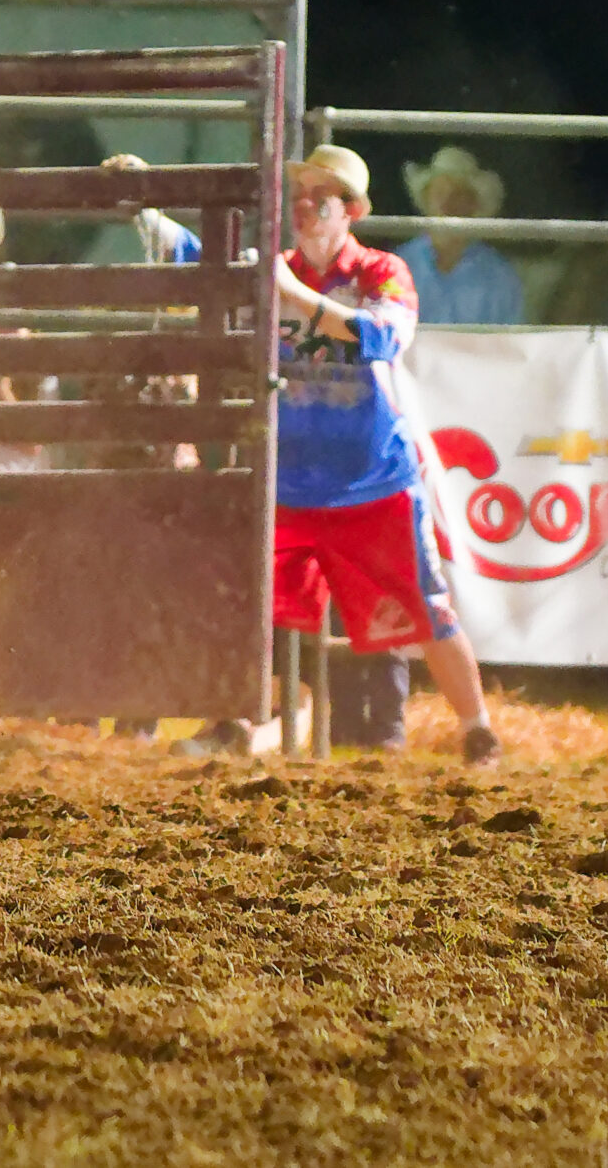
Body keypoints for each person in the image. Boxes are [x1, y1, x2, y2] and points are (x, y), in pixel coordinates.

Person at [173, 145, 502, 763]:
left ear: (351, 211)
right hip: (287, 479)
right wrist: (144, 208)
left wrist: (292, 292)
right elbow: (196, 260)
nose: (304, 208)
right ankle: (230, 720)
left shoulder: (381, 272)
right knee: (248, 603)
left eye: (319, 198)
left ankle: (476, 729)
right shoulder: (276, 269)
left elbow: (380, 338)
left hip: (370, 480)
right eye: (297, 198)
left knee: (428, 607)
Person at [398, 145, 525, 325]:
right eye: (439, 192)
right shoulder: (399, 265)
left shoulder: (499, 276)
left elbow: (510, 343)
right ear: (426, 199)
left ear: (474, 205)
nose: (446, 203)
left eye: (457, 195)